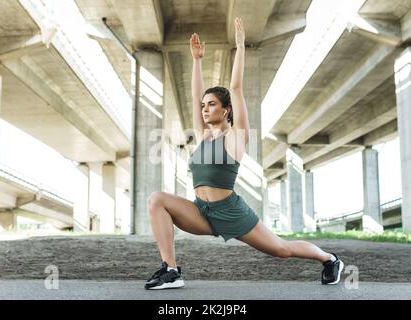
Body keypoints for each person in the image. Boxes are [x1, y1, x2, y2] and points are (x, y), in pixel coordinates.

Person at [145, 17, 344, 290]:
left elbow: (236, 89)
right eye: (204, 105)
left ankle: (329, 259)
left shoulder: (236, 138)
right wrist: (196, 60)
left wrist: (240, 47)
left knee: (281, 250)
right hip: (202, 211)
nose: (204, 109)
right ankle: (170, 270)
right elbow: (193, 97)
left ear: (226, 109)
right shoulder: (204, 136)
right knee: (157, 199)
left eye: (211, 104)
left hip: (230, 212)